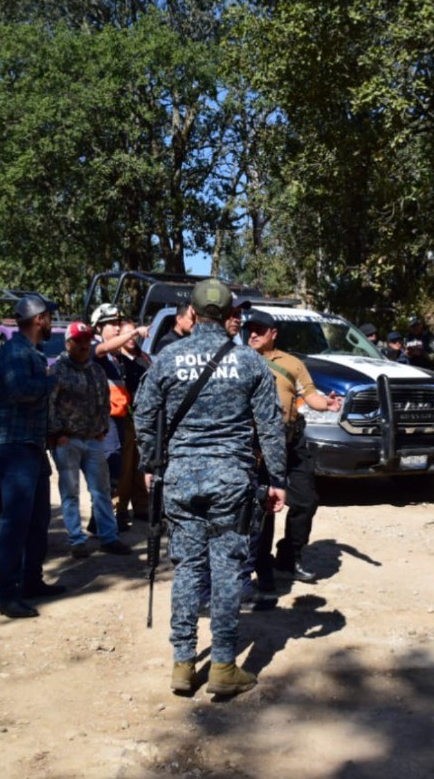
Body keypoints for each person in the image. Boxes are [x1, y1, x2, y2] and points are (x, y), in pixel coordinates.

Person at [134, 278, 286, 697]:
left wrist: (151, 464)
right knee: (226, 572)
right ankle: (222, 666)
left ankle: (182, 665)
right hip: (231, 480)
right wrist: (277, 479)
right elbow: (270, 425)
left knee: (187, 570)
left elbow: (143, 415)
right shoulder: (251, 362)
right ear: (230, 315)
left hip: (181, 477)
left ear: (194, 314)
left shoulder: (167, 358)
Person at [243, 308, 342, 585]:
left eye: (259, 330)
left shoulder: (291, 363)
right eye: (249, 329)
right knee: (264, 505)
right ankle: (262, 567)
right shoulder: (238, 361)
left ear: (273, 333)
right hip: (258, 443)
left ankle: (289, 556)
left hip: (291, 440)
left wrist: (328, 404)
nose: (253, 334)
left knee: (307, 500)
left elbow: (310, 395)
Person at [0, 296, 66, 619]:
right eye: (49, 317)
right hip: (15, 446)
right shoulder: (16, 352)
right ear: (38, 319)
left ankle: (31, 580)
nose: (51, 322)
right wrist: (51, 379)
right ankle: (6, 593)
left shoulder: (29, 351)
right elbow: (22, 391)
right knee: (15, 521)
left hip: (31, 446)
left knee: (37, 520)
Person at [48, 320, 132, 558]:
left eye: (87, 340)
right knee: (71, 491)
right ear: (68, 343)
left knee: (102, 490)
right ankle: (77, 540)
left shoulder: (96, 370)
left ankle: (109, 537)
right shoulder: (58, 370)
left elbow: (104, 400)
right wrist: (57, 434)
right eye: (78, 341)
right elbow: (49, 404)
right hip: (68, 441)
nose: (84, 345)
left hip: (94, 439)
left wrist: (102, 429)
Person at [115, 316, 153, 529]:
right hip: (124, 419)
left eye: (134, 333)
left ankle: (141, 506)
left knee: (142, 465)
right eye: (127, 333)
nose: (132, 338)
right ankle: (119, 510)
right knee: (124, 467)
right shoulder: (115, 359)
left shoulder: (144, 358)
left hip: (144, 419)